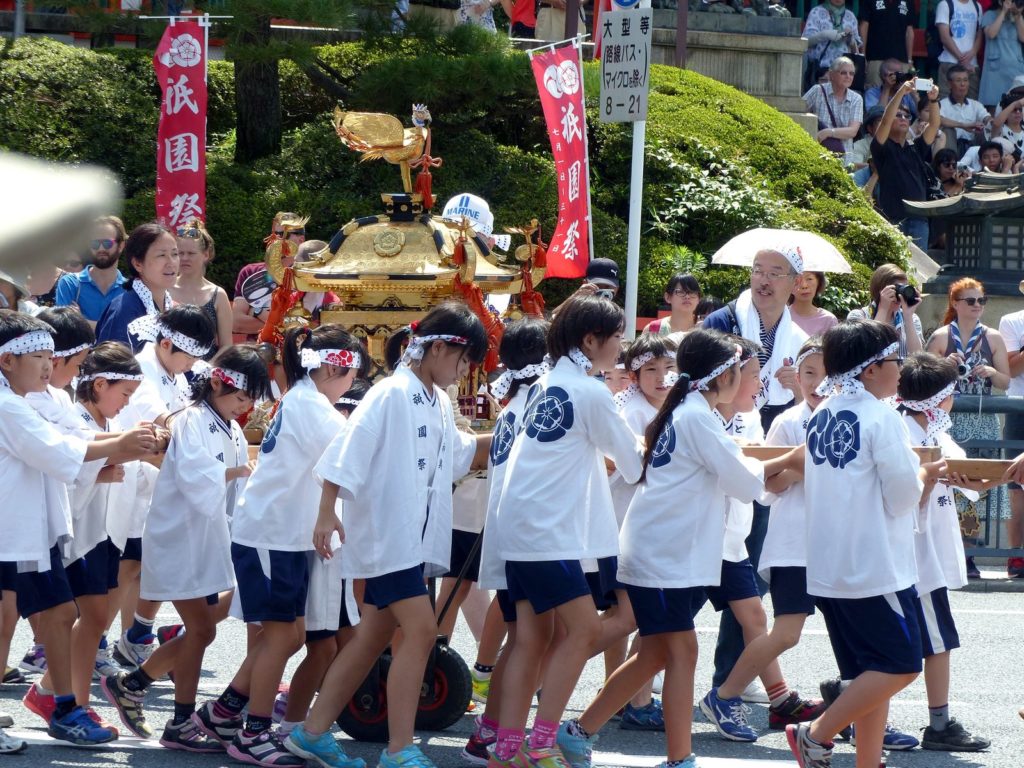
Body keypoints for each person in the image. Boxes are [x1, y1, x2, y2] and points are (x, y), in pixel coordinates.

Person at [554, 330, 784, 768]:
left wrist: (775, 464)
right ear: (723, 376)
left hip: (662, 553)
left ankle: (577, 731)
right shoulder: (697, 417)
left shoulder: (689, 412)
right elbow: (742, 481)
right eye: (740, 369)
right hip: (663, 557)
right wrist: (789, 462)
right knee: (681, 652)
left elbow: (735, 474)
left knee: (657, 653)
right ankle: (679, 758)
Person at [284, 303, 489, 768]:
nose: (463, 373)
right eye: (462, 361)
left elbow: (458, 453)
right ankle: (399, 750)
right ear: (438, 347)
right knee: (420, 632)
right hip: (388, 536)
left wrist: (507, 438)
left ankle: (313, 732)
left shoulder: (434, 399)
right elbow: (345, 451)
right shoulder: (391, 393)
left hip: (405, 541)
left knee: (372, 637)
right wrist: (324, 513)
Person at [185, 323, 366, 767]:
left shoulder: (307, 400)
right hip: (271, 534)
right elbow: (355, 456)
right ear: (331, 370)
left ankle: (221, 713)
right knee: (283, 636)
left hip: (279, 533)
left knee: (289, 636)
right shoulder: (311, 408)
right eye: (350, 374)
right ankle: (254, 731)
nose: (351, 384)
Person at [479, 295, 643, 768]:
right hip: (546, 532)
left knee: (532, 640)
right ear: (591, 341)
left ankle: (507, 749)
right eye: (617, 337)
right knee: (585, 628)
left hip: (522, 528)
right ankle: (543, 741)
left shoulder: (549, 382)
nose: (622, 346)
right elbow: (633, 464)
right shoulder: (591, 393)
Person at [786, 319, 944, 768]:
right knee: (900, 665)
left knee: (868, 675)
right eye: (895, 360)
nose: (901, 369)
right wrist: (923, 472)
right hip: (875, 567)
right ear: (871, 368)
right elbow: (902, 498)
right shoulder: (881, 417)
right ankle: (815, 733)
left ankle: (867, 762)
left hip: (829, 567)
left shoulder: (821, 413)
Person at [102, 346, 271, 753]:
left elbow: (219, 490)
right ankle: (178, 719)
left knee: (204, 628)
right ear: (217, 383)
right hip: (180, 538)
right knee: (202, 629)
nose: (245, 408)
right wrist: (241, 470)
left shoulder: (226, 425)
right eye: (241, 397)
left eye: (250, 400)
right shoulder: (192, 420)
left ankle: (134, 685)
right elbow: (199, 481)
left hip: (206, 539)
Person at [0, 309, 156, 746]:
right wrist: (122, 446)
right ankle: (63, 704)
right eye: (39, 357)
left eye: (52, 355)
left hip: (30, 532)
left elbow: (70, 444)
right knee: (19, 618)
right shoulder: (9, 406)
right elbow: (56, 449)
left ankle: (62, 703)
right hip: (10, 534)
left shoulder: (27, 401)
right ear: (7, 361)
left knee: (60, 614)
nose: (49, 365)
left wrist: (122, 444)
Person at [698, 337, 824, 743]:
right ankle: (632, 698)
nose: (757, 384)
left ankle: (784, 698)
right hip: (704, 537)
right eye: (752, 375)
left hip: (734, 536)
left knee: (757, 620)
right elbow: (766, 484)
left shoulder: (750, 418)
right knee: (659, 628)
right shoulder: (701, 417)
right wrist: (798, 466)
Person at [701, 246, 808, 701]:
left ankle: (730, 675)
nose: (763, 280)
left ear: (795, 283)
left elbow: (800, 399)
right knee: (683, 580)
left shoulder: (797, 335)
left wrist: (793, 386)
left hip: (757, 456)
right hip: (712, 452)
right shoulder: (722, 323)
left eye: (775, 273)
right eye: (757, 270)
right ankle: (647, 670)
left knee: (747, 583)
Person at [108, 305, 216, 672]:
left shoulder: (172, 371)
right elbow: (163, 421)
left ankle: (134, 636)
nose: (192, 364)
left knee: (142, 564)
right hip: (130, 479)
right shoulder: (143, 371)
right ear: (167, 343)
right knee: (125, 568)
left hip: (154, 481)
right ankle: (97, 640)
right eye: (189, 356)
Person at [897, 352, 991, 753]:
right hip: (917, 555)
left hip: (926, 549)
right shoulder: (902, 433)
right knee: (936, 642)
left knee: (908, 639)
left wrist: (996, 476)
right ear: (939, 398)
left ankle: (847, 690)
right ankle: (939, 723)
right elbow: (903, 498)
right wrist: (932, 477)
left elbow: (972, 480)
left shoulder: (935, 431)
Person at [466, 317, 550, 765]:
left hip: (507, 535)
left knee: (522, 639)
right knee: (529, 640)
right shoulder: (535, 401)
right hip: (527, 539)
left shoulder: (516, 401)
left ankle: (490, 730)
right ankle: (501, 736)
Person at [927, 278, 1011, 579]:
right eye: (970, 300)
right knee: (951, 484)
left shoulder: (993, 338)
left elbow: (1005, 382)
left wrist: (990, 371)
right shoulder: (940, 337)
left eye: (981, 300)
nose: (977, 306)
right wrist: (945, 365)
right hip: (949, 417)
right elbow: (924, 379)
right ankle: (951, 551)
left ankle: (970, 551)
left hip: (983, 416)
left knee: (978, 485)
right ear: (955, 304)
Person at [870, 82, 941, 251]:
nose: (903, 118)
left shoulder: (915, 146)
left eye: (906, 116)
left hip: (919, 218)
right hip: (894, 219)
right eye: (898, 115)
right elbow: (886, 121)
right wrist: (901, 92)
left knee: (919, 273)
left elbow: (934, 125)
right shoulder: (881, 147)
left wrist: (933, 100)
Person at [96, 222, 179, 352]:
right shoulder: (124, 310)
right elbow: (110, 367)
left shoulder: (172, 307)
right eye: (162, 255)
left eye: (174, 254)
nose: (171, 262)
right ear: (138, 264)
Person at [231, 213, 306, 344]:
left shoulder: (309, 277)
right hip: (258, 356)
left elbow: (309, 326)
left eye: (283, 234)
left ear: (301, 240)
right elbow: (236, 323)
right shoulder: (250, 272)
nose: (277, 239)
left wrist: (255, 311)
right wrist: (285, 324)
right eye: (274, 234)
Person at [171, 220, 233, 351]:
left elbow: (226, 346)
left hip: (207, 367)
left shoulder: (217, 295)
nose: (184, 258)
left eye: (191, 253)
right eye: (180, 253)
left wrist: (207, 369)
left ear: (206, 255)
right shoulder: (164, 289)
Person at [55, 215, 128, 326]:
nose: (101, 249)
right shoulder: (70, 283)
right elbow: (65, 329)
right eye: (95, 244)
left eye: (107, 243)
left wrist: (82, 322)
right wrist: (111, 326)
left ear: (121, 246)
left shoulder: (128, 290)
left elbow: (128, 332)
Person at [848, 264, 925, 358]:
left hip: (902, 373)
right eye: (894, 290)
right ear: (880, 290)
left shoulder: (912, 318)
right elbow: (868, 350)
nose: (899, 295)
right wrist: (883, 309)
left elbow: (917, 357)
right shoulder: (859, 316)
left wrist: (908, 317)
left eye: (902, 289)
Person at [999, 301, 1024, 577]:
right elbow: (1012, 369)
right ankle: (1016, 555)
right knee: (1016, 483)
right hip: (1019, 407)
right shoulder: (1012, 320)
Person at [803, 57, 864, 164]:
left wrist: (828, 132)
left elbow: (853, 131)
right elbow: (798, 112)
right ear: (831, 75)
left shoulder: (856, 98)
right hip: (818, 153)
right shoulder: (817, 90)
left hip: (844, 159)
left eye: (851, 73)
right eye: (843, 73)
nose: (848, 76)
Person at [802, 0, 862, 87]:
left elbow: (856, 50)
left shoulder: (851, 16)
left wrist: (851, 41)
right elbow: (804, 42)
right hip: (821, 71)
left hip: (844, 72)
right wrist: (823, 35)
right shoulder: (816, 12)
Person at [858, 1, 914, 89]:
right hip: (875, 58)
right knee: (874, 92)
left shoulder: (908, 2)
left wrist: (910, 60)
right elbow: (864, 26)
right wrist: (862, 55)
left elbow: (909, 30)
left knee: (901, 94)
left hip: (901, 60)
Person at [980, 0, 1024, 109]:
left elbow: (1023, 37)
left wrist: (1018, 15)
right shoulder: (989, 15)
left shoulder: (1017, 17)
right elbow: (991, 33)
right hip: (996, 72)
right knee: (994, 106)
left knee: (1015, 106)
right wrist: (1003, 12)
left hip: (1015, 69)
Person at [939, 65, 992, 156]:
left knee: (987, 129)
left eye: (965, 80)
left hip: (973, 146)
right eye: (958, 80)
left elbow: (986, 117)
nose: (963, 84)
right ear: (949, 84)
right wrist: (963, 125)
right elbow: (939, 119)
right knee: (948, 130)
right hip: (952, 146)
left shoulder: (975, 104)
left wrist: (990, 122)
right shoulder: (942, 104)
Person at [936, 0, 983, 99]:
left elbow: (979, 35)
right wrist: (963, 60)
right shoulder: (945, 4)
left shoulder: (977, 6)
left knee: (972, 102)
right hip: (950, 61)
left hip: (972, 64)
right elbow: (944, 36)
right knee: (945, 101)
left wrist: (973, 52)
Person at [788, 272, 837, 337]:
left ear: (818, 282)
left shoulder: (828, 320)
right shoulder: (780, 317)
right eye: (797, 279)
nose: (804, 285)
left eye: (809, 279)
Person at [990, 92, 1024, 160]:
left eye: (1020, 109)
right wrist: (1014, 104)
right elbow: (996, 124)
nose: (1018, 112)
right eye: (1014, 110)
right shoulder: (1001, 129)